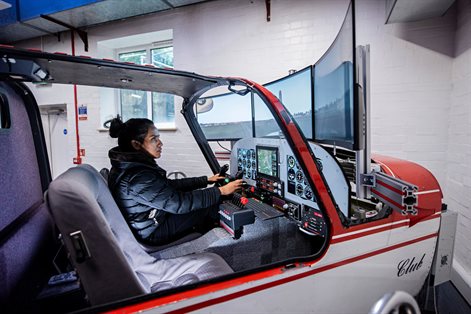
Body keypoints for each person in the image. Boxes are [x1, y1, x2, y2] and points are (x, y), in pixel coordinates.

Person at [107, 116, 242, 246]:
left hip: (150, 222)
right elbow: (179, 203)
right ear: (136, 144)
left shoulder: (133, 167)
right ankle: (233, 244)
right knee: (211, 206)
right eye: (154, 139)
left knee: (206, 199)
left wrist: (206, 180)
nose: (160, 143)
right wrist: (221, 191)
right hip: (152, 232)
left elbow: (168, 187)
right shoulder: (137, 178)